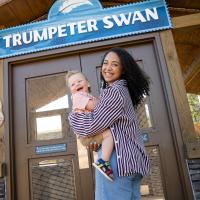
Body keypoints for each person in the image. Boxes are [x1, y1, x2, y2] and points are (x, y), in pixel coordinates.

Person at [68, 47, 150, 200]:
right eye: (106, 63)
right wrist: (96, 141)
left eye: (115, 64)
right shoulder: (121, 91)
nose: (108, 68)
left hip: (117, 161)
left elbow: (92, 125)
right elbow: (106, 126)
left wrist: (72, 118)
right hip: (130, 160)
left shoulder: (115, 92)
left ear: (123, 69)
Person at [66, 71, 115, 181]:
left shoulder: (89, 96)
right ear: (71, 91)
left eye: (79, 81)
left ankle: (104, 161)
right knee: (109, 134)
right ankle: (103, 161)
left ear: (88, 84)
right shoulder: (78, 96)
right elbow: (94, 107)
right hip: (86, 134)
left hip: (91, 134)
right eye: (72, 84)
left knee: (108, 135)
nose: (77, 84)